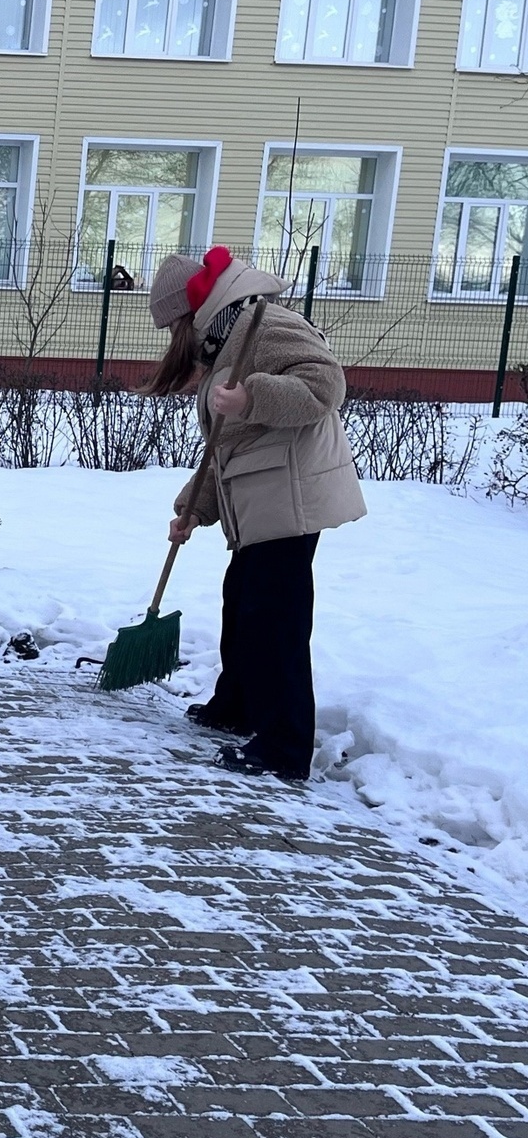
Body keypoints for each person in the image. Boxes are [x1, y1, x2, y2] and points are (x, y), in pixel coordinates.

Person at [142, 246, 366, 782]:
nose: (176, 337)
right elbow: (227, 444)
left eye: (174, 325)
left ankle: (285, 748)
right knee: (243, 603)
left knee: (275, 620)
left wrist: (253, 397)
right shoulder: (227, 340)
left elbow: (325, 385)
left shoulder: (265, 323)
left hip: (289, 497)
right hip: (257, 497)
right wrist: (193, 509)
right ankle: (236, 707)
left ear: (191, 312)